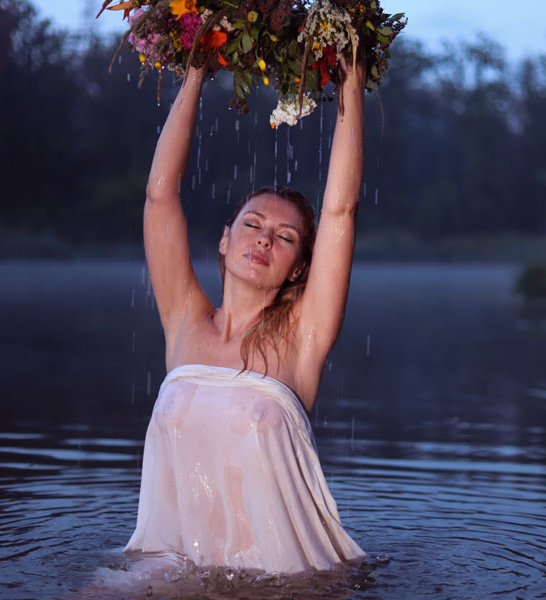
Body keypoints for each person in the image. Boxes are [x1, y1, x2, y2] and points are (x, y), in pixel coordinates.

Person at [123, 58, 367, 574]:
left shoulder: (302, 337)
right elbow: (159, 195)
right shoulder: (184, 319)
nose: (264, 239)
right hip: (170, 570)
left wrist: (352, 81)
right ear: (225, 239)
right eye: (252, 225)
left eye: (285, 237)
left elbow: (340, 209)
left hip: (286, 582)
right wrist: (194, 70)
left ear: (299, 268)